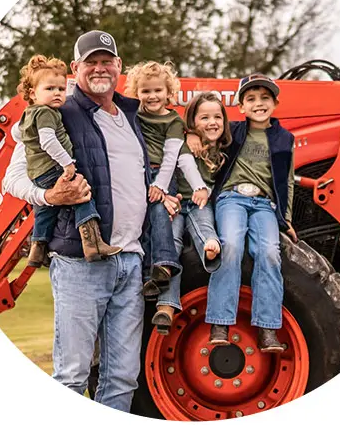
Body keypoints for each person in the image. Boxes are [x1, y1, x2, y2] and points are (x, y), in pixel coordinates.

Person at [2, 30, 181, 412]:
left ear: (119, 66)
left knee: (121, 377)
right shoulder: (56, 112)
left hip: (131, 262)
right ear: (75, 69)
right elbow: (12, 179)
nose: (99, 68)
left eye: (107, 61)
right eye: (91, 62)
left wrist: (165, 196)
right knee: (71, 376)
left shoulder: (131, 116)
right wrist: (49, 196)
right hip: (82, 265)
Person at [202, 74, 298, 352]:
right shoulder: (233, 131)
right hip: (232, 198)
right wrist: (196, 138)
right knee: (229, 246)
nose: (259, 104)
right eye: (251, 99)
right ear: (241, 106)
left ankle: (267, 329)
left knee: (269, 252)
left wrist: (286, 218)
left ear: (275, 103)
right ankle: (220, 322)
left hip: (264, 204)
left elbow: (287, 180)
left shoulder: (284, 139)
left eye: (265, 98)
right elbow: (207, 131)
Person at [16, 54, 121, 267]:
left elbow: (19, 135)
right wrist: (67, 163)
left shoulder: (30, 113)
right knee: (81, 194)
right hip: (52, 167)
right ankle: (93, 243)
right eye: (49, 89)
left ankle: (38, 249)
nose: (57, 93)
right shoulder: (46, 113)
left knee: (45, 210)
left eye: (61, 89)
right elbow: (47, 141)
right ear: (32, 93)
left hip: (38, 172)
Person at [151, 92, 230, 334]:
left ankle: (210, 247)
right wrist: (190, 134)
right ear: (193, 122)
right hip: (176, 201)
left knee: (204, 227)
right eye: (204, 117)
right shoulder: (186, 141)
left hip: (199, 204)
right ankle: (166, 307)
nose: (212, 122)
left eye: (217, 116)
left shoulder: (225, 148)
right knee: (171, 245)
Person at [123, 61, 184, 298]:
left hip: (163, 173)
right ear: (136, 93)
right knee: (144, 219)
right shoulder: (134, 116)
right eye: (145, 91)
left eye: (157, 90)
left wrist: (160, 185)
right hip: (140, 173)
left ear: (168, 92)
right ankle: (149, 278)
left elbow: (171, 156)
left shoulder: (174, 121)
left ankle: (165, 262)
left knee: (159, 211)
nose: (152, 96)